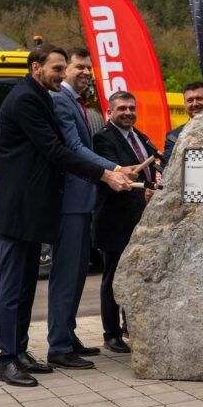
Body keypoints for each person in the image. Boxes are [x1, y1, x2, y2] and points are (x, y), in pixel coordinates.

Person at [0, 44, 132, 387]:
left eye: (64, 67)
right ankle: (7, 358)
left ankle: (20, 351)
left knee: (23, 287)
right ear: (37, 67)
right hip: (14, 207)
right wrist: (105, 174)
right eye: (57, 68)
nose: (62, 73)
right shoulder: (25, 100)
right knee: (12, 287)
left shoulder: (38, 97)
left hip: (32, 208)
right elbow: (56, 150)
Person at [47, 47, 133, 369]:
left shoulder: (77, 103)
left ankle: (67, 336)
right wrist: (113, 168)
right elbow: (73, 147)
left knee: (77, 274)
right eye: (79, 67)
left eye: (89, 68)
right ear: (65, 69)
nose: (86, 73)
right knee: (66, 275)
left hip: (82, 201)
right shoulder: (61, 100)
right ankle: (58, 345)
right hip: (69, 201)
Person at [93, 91, 159, 353]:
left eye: (132, 108)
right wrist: (137, 184)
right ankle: (111, 334)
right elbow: (116, 175)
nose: (128, 112)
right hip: (113, 220)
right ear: (110, 112)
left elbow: (150, 169)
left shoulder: (141, 137)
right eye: (122, 108)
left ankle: (129, 327)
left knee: (134, 277)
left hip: (139, 221)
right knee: (112, 279)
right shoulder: (102, 139)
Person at [163, 81, 203, 165]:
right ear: (185, 104)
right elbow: (166, 168)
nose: (195, 104)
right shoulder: (173, 137)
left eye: (199, 98)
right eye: (190, 100)